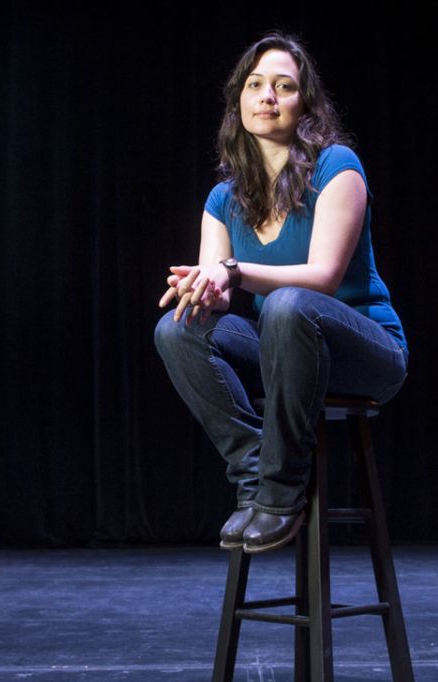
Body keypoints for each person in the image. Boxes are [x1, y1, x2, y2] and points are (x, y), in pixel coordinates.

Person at [154, 32, 408, 554]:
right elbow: (222, 288)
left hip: (364, 352)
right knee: (178, 329)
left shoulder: (337, 168)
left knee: (292, 304)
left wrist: (233, 270)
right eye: (255, 84)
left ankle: (282, 488)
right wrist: (201, 290)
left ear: (304, 104)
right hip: (283, 350)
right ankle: (255, 476)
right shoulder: (223, 199)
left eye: (284, 86)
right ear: (239, 101)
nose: (267, 95)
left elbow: (324, 278)